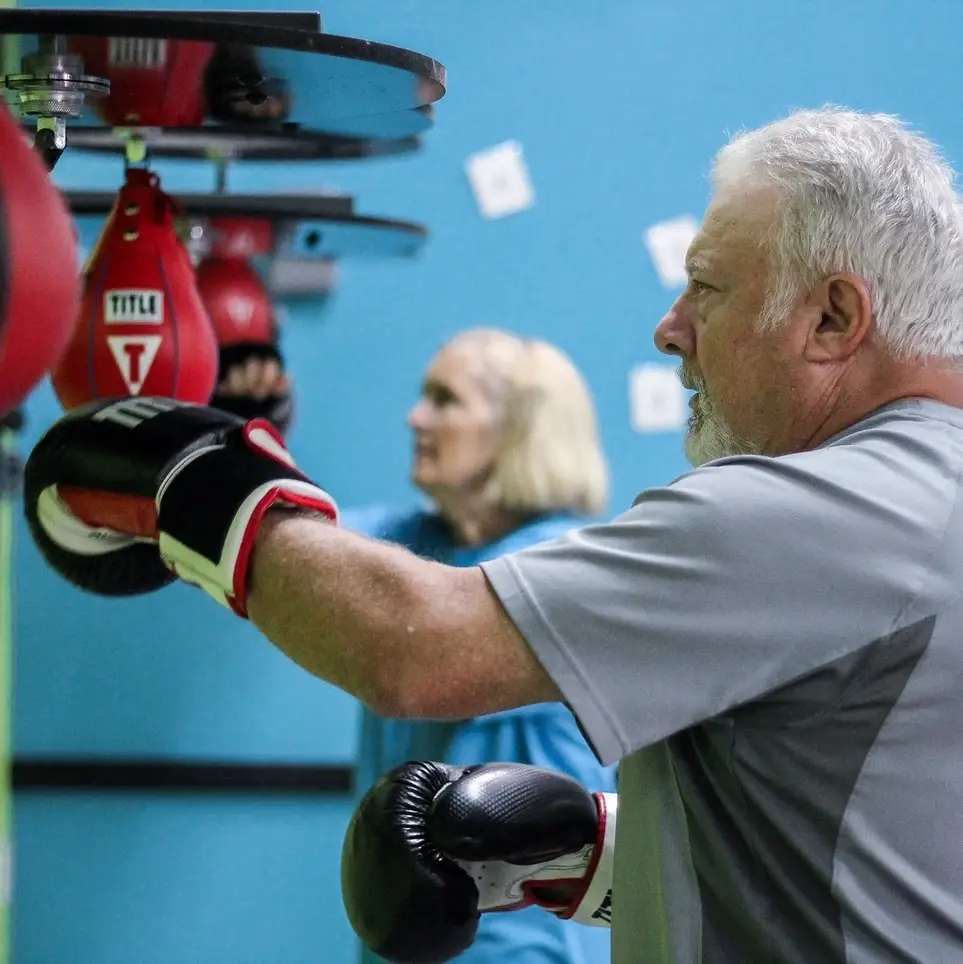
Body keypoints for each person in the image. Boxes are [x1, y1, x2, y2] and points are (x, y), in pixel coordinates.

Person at [21, 104, 963, 963]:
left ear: (832, 318)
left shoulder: (820, 512)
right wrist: (590, 857)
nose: (668, 329)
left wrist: (189, 482)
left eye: (706, 288)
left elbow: (409, 646)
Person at [215, 326, 617, 964]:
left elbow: (406, 614)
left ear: (516, 428)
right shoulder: (417, 543)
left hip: (524, 943)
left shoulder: (560, 563)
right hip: (410, 938)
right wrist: (240, 436)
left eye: (445, 399)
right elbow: (283, 553)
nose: (416, 415)